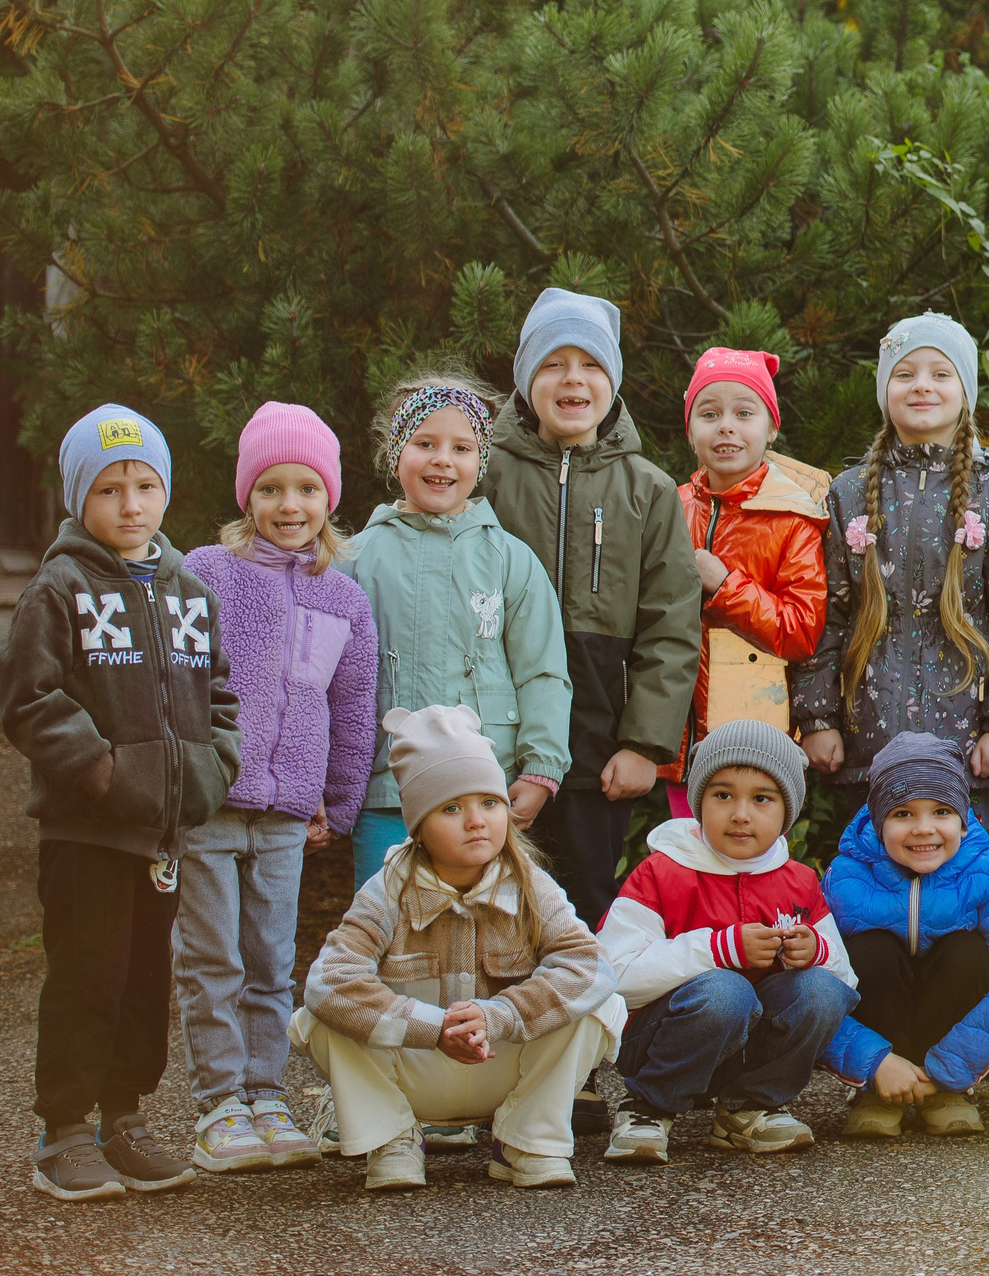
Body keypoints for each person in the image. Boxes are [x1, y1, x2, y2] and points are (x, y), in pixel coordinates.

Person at [0, 405, 237, 1200]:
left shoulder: (190, 593)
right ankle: (62, 1132)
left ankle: (124, 1119)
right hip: (88, 831)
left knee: (142, 981)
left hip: (163, 836)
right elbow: (30, 699)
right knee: (87, 976)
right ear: (79, 499)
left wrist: (214, 768)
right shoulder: (58, 588)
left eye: (144, 484)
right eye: (108, 489)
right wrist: (102, 774)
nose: (129, 504)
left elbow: (221, 696)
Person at [295, 704, 623, 1192]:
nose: (476, 822)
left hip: (503, 1061)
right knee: (320, 1016)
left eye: (489, 804)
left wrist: (500, 1014)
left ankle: (526, 1139)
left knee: (601, 1005)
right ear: (418, 824)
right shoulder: (387, 890)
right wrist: (431, 1027)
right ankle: (394, 1138)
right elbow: (328, 982)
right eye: (451, 808)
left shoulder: (531, 886)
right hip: (417, 1068)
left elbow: (590, 966)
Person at [180, 402, 379, 1173]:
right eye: (270, 488)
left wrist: (339, 796)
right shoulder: (208, 574)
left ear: (328, 497)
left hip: (289, 812)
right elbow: (181, 685)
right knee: (211, 958)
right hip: (212, 804)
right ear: (246, 495)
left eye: (304, 488)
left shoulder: (345, 597)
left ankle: (267, 1093)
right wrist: (185, 781)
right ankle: (219, 1104)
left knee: (269, 959)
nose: (288, 505)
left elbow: (353, 706)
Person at [483, 288, 702, 927]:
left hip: (599, 743)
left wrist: (644, 744)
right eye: (553, 363)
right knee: (494, 901)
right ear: (526, 381)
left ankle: (589, 1025)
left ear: (613, 383)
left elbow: (671, 627)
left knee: (580, 906)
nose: (573, 378)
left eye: (591, 365)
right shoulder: (487, 473)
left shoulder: (648, 490)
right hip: (499, 735)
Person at [793, 314, 989, 835]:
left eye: (940, 373)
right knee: (869, 896)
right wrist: (818, 720)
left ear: (965, 391)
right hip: (867, 746)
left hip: (967, 753)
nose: (922, 385)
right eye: (904, 374)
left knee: (959, 899)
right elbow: (828, 614)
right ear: (885, 390)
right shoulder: (846, 494)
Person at [342, 372, 569, 891]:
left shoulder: (510, 559)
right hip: (388, 792)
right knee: (388, 923)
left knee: (488, 927)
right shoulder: (355, 559)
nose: (443, 459)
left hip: (484, 789)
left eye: (461, 447)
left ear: (480, 461)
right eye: (425, 443)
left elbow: (542, 671)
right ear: (396, 453)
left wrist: (540, 769)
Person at [600, 720, 855, 1164]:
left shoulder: (798, 880)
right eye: (723, 795)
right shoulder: (661, 873)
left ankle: (748, 1108)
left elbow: (845, 981)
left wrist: (815, 950)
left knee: (821, 990)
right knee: (726, 990)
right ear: (698, 803)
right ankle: (647, 1107)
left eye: (761, 799)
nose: (741, 814)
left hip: (748, 1051)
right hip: (660, 1041)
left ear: (786, 811)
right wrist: (717, 950)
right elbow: (612, 978)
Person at [821, 733, 989, 1138]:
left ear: (963, 816)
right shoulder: (845, 878)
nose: (924, 829)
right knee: (868, 953)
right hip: (880, 1041)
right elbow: (815, 987)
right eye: (903, 814)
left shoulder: (986, 871)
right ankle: (877, 1090)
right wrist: (873, 1063)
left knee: (967, 952)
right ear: (876, 819)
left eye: (941, 811)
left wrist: (949, 1068)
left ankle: (944, 1093)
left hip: (949, 1048)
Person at [663, 347, 829, 817]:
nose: (726, 426)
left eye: (744, 412)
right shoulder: (669, 507)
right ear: (690, 427)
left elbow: (801, 630)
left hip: (758, 736)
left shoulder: (792, 517)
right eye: (709, 413)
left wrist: (725, 587)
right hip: (678, 737)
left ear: (771, 427)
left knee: (750, 855)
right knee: (686, 858)